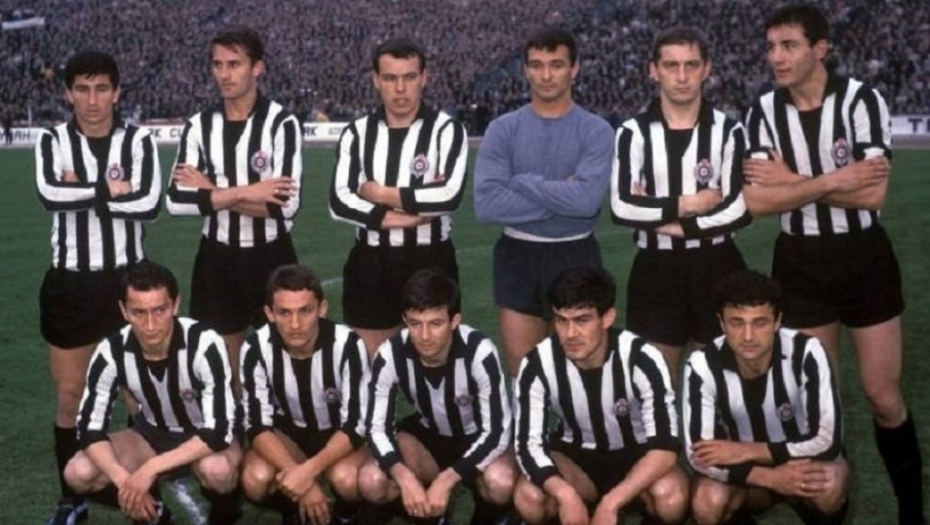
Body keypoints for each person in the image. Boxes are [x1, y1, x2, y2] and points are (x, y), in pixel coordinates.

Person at [743, 5, 925, 524]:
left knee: (883, 396)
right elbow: (757, 201)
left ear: (820, 49)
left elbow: (873, 195)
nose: (776, 57)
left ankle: (912, 514)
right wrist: (832, 180)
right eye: (771, 47)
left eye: (789, 45)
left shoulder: (861, 100)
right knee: (821, 405)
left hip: (864, 257)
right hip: (798, 263)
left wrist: (792, 181)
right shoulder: (763, 112)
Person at [34, 49, 162, 525]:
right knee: (71, 395)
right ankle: (73, 499)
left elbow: (149, 203)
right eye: (83, 90)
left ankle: (145, 496)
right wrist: (111, 187)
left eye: (102, 89)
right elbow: (50, 194)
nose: (92, 100)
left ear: (117, 92)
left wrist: (81, 187)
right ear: (69, 93)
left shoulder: (139, 140)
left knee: (137, 395)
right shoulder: (52, 140)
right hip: (70, 284)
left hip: (128, 284)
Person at [610, 26, 751, 386]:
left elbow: (738, 209)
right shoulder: (632, 133)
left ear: (707, 69)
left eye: (691, 65)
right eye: (671, 65)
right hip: (656, 270)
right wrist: (691, 203)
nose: (682, 76)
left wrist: (669, 222)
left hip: (718, 265)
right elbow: (622, 207)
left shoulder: (730, 131)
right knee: (655, 386)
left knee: (722, 385)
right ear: (653, 70)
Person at [166, 26, 303, 386]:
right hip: (217, 258)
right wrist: (249, 192)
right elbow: (176, 201)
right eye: (218, 65)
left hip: (271, 257)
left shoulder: (281, 124)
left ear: (257, 67)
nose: (224, 74)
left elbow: (285, 207)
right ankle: (233, 423)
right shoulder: (198, 126)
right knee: (222, 372)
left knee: (286, 365)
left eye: (234, 64)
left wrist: (211, 191)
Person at [473, 28, 614, 377]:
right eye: (537, 65)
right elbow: (488, 205)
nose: (546, 75)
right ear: (526, 70)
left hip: (576, 253)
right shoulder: (503, 129)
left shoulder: (596, 130)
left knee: (583, 375)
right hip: (517, 256)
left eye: (556, 64)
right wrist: (563, 194)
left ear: (574, 69)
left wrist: (523, 182)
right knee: (524, 376)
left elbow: (586, 202)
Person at [62, 262, 241, 525]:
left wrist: (149, 469)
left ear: (175, 305)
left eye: (160, 310)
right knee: (78, 472)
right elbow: (89, 429)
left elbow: (217, 431)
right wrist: (126, 482)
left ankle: (226, 511)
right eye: (138, 312)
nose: (150, 325)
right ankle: (155, 513)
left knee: (217, 470)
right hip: (152, 433)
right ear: (124, 310)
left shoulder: (204, 343)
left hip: (204, 434)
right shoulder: (111, 351)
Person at [513, 267, 688, 525]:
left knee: (671, 496)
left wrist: (611, 502)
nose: (570, 333)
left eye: (582, 320)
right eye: (561, 320)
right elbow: (528, 444)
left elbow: (665, 447)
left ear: (607, 318)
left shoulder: (641, 358)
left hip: (636, 453)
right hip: (575, 458)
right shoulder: (538, 363)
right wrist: (565, 495)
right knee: (530, 497)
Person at [329, 37, 468, 359]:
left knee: (435, 365)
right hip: (372, 261)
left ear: (424, 78)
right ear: (376, 80)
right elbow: (340, 201)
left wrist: (378, 194)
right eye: (390, 78)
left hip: (431, 259)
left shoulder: (447, 130)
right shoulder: (357, 133)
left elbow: (449, 197)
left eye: (409, 77)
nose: (400, 88)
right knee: (372, 366)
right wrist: (411, 216)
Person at [683, 270, 848, 524]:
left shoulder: (807, 351)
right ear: (721, 323)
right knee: (708, 500)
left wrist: (747, 451)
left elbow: (828, 441)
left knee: (830, 483)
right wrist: (769, 477)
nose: (748, 336)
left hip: (800, 462)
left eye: (760, 323)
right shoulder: (702, 364)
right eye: (737, 323)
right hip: (746, 477)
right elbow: (698, 455)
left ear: (777, 321)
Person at [358, 268, 515, 525]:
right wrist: (404, 476)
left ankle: (489, 518)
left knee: (500, 482)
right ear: (404, 320)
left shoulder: (479, 351)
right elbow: (376, 428)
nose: (424, 336)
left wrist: (447, 478)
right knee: (372, 480)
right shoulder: (391, 353)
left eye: (435, 323)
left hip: (479, 436)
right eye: (415, 324)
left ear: (454, 321)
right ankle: (432, 520)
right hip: (428, 437)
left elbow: (496, 432)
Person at [239, 264, 370, 525]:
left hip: (338, 432)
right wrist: (302, 482)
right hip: (290, 434)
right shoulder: (256, 347)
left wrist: (308, 471)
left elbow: (355, 425)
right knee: (255, 479)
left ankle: (346, 512)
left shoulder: (347, 344)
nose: (295, 324)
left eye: (305, 311)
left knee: (346, 479)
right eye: (284, 313)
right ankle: (294, 508)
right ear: (270, 313)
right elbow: (257, 425)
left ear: (322, 308)